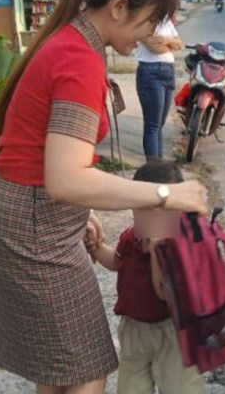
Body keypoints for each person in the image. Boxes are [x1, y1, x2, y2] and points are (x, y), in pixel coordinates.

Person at [0, 0, 208, 394]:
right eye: (152, 20)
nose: (154, 32)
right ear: (121, 7)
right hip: (35, 228)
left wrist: (77, 208)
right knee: (85, 369)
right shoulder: (79, 59)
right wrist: (168, 196)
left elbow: (50, 163)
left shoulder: (72, 41)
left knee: (59, 366)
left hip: (28, 215)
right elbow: (66, 180)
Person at [84, 161, 205, 394]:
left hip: (172, 332)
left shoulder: (179, 245)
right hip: (134, 329)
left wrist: (157, 252)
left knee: (180, 387)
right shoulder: (131, 236)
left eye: (163, 211)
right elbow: (118, 262)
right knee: (132, 387)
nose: (153, 219)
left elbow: (163, 291)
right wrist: (96, 248)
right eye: (143, 209)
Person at [136, 16, 182, 160]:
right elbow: (156, 48)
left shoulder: (165, 21)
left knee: (159, 125)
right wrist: (170, 44)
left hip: (168, 72)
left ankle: (158, 165)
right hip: (150, 72)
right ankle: (153, 169)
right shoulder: (144, 21)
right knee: (152, 125)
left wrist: (167, 40)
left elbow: (179, 44)